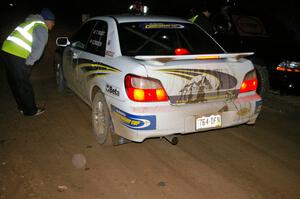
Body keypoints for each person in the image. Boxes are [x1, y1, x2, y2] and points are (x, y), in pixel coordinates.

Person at [1, 8, 55, 116]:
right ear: (47, 20)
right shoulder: (41, 26)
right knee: (24, 84)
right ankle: (31, 110)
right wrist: (29, 63)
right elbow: (38, 49)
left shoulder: (30, 22)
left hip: (7, 51)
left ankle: (22, 107)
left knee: (15, 82)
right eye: (53, 22)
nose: (53, 25)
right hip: (17, 54)